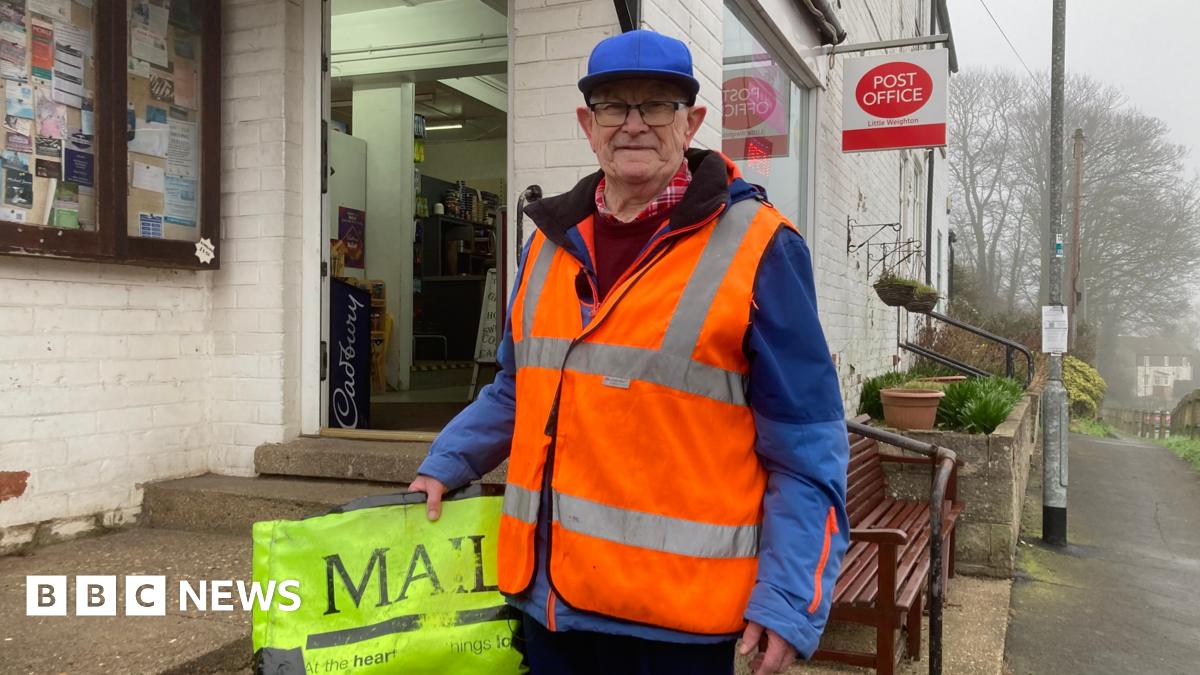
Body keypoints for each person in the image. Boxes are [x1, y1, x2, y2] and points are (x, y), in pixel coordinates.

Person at [409, 29, 849, 675]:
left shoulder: (761, 246)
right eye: (614, 105)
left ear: (692, 121)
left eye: (658, 105)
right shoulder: (548, 245)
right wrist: (446, 461)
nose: (634, 124)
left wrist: (788, 598)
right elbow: (516, 386)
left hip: (677, 621)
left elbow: (806, 446)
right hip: (549, 600)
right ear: (588, 124)